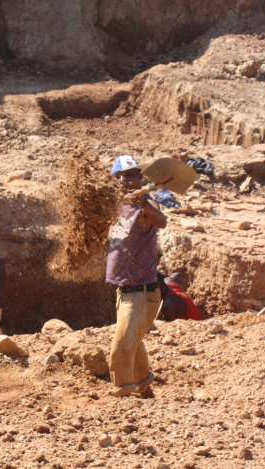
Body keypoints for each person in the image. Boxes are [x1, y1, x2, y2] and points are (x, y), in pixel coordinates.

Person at [106, 155, 167, 398]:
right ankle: (145, 388)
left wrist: (144, 204)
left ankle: (122, 394)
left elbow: (161, 222)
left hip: (141, 292)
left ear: (140, 177)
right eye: (119, 176)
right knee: (134, 341)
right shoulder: (118, 208)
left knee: (121, 346)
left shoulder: (145, 208)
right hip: (124, 290)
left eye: (129, 175)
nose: (124, 180)